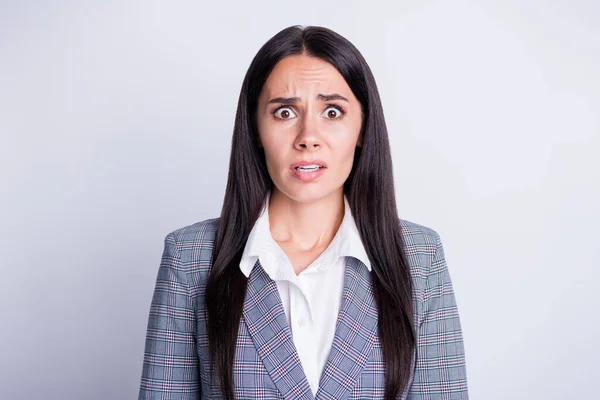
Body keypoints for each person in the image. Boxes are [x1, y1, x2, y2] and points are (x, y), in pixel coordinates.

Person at [138, 25, 468, 400]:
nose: (308, 136)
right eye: (284, 112)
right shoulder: (191, 257)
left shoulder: (420, 257)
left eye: (332, 111)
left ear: (363, 127)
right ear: (255, 128)